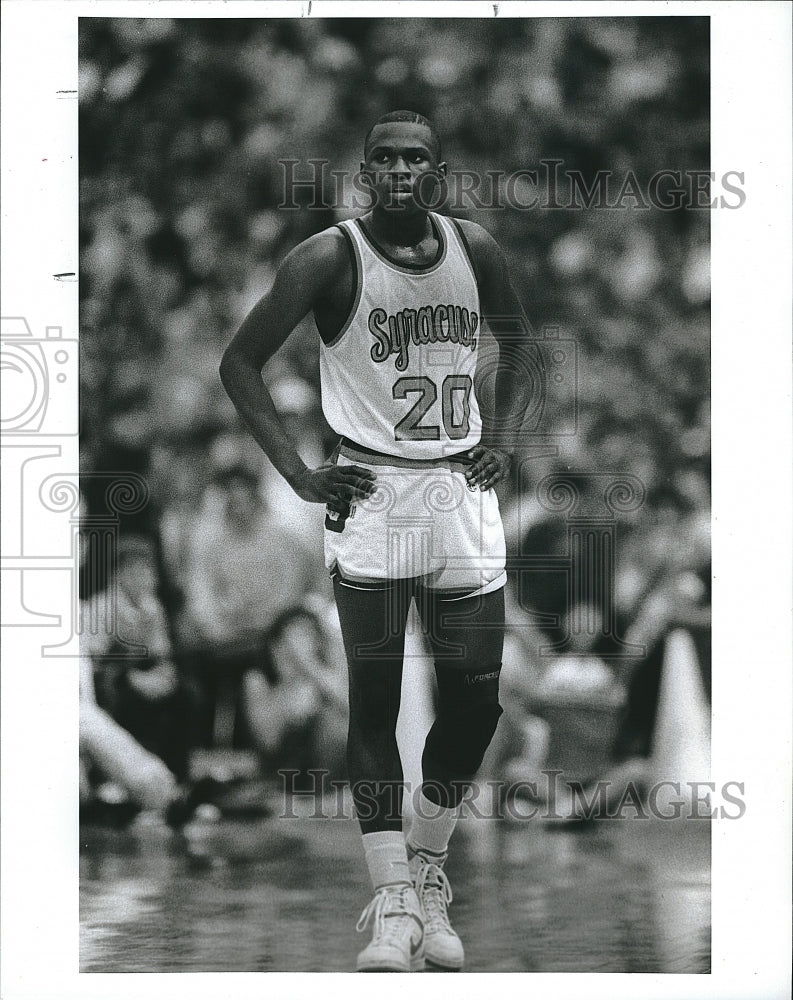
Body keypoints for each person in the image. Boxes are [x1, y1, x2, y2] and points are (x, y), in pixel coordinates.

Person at [220, 110, 536, 972]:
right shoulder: (326, 255)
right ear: (366, 171)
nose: (400, 170)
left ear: (438, 171)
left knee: (475, 703)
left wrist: (502, 440)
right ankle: (394, 899)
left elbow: (520, 347)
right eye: (385, 159)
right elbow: (238, 363)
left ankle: (430, 868)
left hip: (458, 489)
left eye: (416, 159)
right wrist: (296, 472)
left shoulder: (476, 249)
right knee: (376, 702)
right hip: (370, 492)